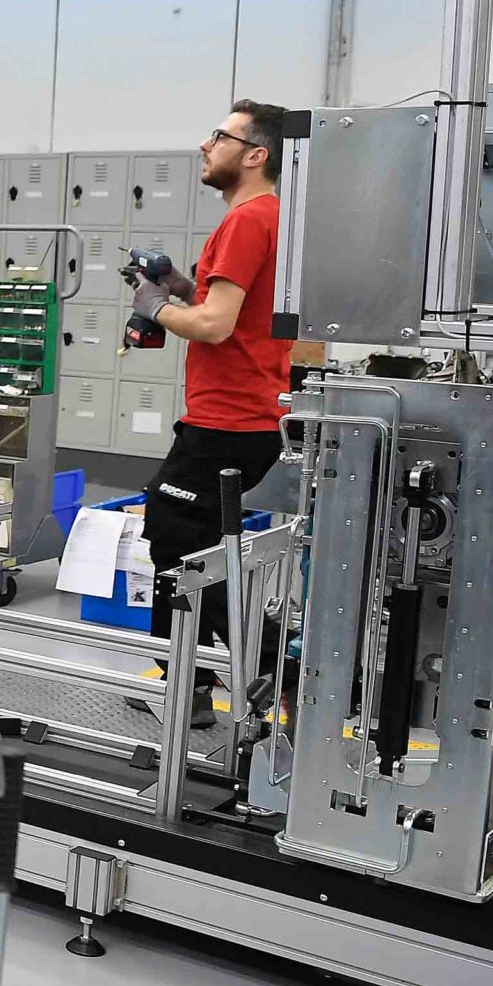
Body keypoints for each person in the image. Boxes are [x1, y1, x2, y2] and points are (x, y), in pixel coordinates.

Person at [124, 99, 295, 730]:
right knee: (184, 542)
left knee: (178, 543)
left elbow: (217, 329)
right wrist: (181, 290)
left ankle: (281, 667)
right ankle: (188, 687)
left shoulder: (246, 221)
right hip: (249, 416)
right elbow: (232, 310)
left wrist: (156, 308)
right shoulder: (272, 217)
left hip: (226, 421)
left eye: (220, 136)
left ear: (256, 155)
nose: (205, 144)